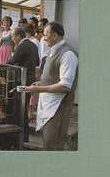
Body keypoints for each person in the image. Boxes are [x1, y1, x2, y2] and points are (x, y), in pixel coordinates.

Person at [25, 22, 78, 151]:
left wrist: (38, 89)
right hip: (49, 104)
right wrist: (41, 83)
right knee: (48, 141)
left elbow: (66, 86)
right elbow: (53, 76)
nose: (43, 38)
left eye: (45, 35)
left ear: (55, 36)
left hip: (59, 106)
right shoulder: (52, 50)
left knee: (52, 143)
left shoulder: (68, 54)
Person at [7, 27, 39, 142]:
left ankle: (22, 136)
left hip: (23, 78)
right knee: (24, 107)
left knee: (21, 108)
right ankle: (23, 136)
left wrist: (3, 65)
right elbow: (38, 62)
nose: (12, 38)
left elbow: (12, 60)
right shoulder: (33, 45)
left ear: (18, 35)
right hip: (31, 77)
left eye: (13, 36)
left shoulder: (22, 45)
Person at [23, 23, 41, 121]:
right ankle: (27, 115)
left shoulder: (35, 42)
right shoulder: (27, 41)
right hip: (28, 69)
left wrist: (37, 70)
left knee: (32, 96)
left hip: (33, 70)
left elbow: (39, 56)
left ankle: (30, 115)